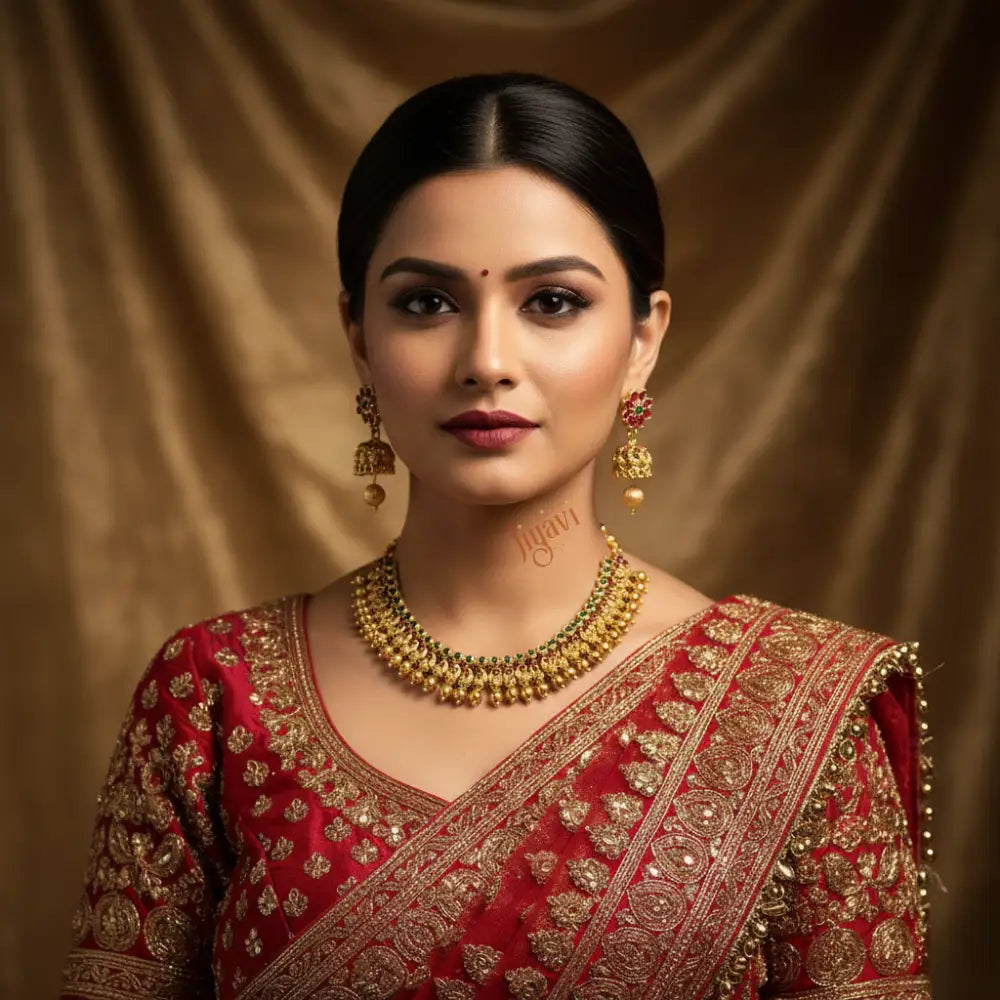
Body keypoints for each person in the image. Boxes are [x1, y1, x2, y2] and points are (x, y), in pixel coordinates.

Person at [60, 72, 934, 1000]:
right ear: (357, 336)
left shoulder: (797, 714)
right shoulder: (213, 700)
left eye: (552, 301)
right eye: (426, 303)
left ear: (644, 338)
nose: (486, 361)